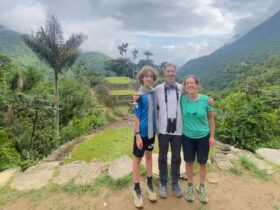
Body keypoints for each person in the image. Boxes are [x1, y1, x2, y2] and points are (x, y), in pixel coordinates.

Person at [133, 63, 213, 199]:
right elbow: (143, 93)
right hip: (163, 129)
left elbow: (194, 91)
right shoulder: (157, 89)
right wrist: (135, 96)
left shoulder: (182, 88)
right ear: (165, 73)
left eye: (172, 71)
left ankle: (175, 183)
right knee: (162, 157)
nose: (170, 73)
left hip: (178, 130)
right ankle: (163, 183)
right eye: (168, 71)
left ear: (175, 73)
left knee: (176, 158)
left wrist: (208, 100)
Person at [180, 75, 215, 204]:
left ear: (197, 85)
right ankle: (189, 186)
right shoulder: (182, 99)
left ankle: (201, 186)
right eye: (187, 83)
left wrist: (212, 136)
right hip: (187, 136)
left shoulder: (206, 100)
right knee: (189, 162)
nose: (190, 85)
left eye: (192, 83)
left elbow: (211, 119)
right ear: (184, 86)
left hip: (203, 137)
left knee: (202, 163)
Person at [132, 65, 158, 208]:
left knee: (149, 156)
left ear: (153, 79)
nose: (148, 78)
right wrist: (137, 135)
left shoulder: (154, 93)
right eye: (146, 76)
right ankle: (136, 188)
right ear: (142, 78)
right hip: (141, 134)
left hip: (151, 133)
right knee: (137, 159)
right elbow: (136, 116)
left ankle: (149, 183)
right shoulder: (139, 95)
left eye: (151, 76)